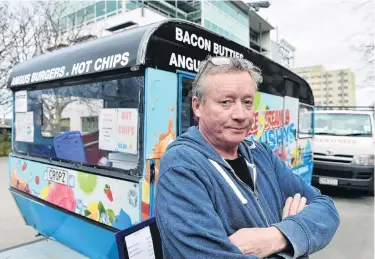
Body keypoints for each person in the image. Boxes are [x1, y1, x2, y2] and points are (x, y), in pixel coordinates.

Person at [155, 56, 340, 259]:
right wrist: (297, 241)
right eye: (226, 102)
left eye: (247, 102)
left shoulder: (261, 154)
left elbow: (326, 209)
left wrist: (278, 237)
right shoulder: (182, 165)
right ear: (198, 106)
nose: (241, 114)